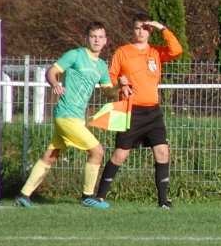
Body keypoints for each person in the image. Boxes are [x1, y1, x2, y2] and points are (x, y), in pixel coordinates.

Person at [16, 22, 115, 209]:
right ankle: (87, 196)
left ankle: (23, 195)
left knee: (50, 156)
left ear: (105, 41)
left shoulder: (102, 66)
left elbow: (109, 93)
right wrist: (54, 83)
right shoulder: (75, 55)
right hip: (65, 115)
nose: (96, 40)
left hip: (77, 118)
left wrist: (122, 88)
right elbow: (52, 71)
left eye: (100, 37)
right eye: (93, 36)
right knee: (97, 151)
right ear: (87, 38)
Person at [94, 14, 183, 209]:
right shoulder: (122, 52)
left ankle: (163, 201)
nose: (141, 32)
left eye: (145, 28)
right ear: (132, 30)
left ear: (150, 31)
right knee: (120, 154)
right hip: (131, 111)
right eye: (137, 28)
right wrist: (120, 84)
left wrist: (162, 28)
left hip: (153, 112)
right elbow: (109, 79)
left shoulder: (156, 53)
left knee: (162, 152)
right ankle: (99, 196)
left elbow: (177, 50)